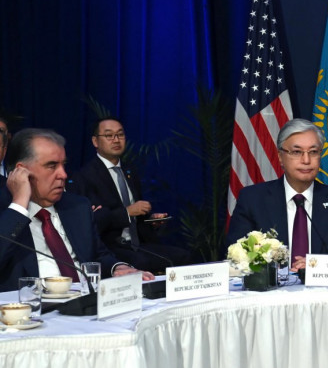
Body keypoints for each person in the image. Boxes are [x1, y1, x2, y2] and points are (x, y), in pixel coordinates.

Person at [0, 128, 153, 292]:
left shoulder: (78, 206)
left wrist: (118, 267)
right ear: (21, 171)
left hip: (85, 301)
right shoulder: (7, 213)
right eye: (51, 166)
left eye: (63, 165)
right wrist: (19, 204)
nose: (63, 174)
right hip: (31, 303)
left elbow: (98, 255)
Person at [226, 119, 328, 271]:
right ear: (280, 157)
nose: (306, 160)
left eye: (313, 152)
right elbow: (235, 258)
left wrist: (317, 266)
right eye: (297, 152)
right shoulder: (252, 199)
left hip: (323, 286)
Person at [68, 117, 192, 274]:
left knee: (183, 256)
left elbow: (135, 216)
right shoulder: (85, 176)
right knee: (142, 262)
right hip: (109, 247)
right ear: (95, 141)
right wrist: (127, 212)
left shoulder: (129, 170)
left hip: (137, 244)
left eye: (120, 134)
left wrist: (151, 220)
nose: (116, 140)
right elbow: (91, 222)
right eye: (109, 135)